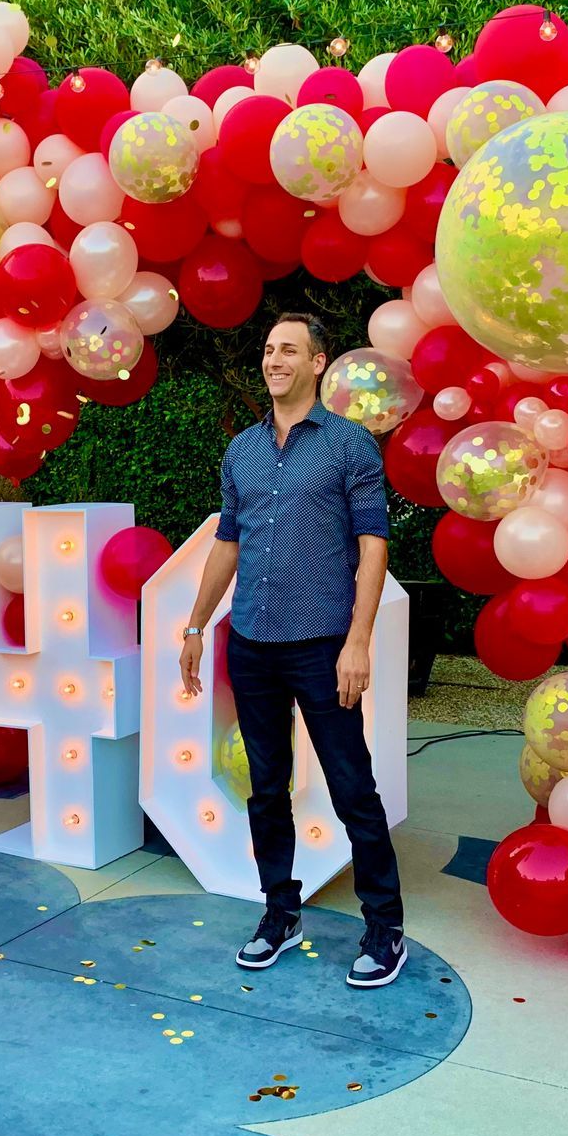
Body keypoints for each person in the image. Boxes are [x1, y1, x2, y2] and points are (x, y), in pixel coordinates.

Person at [179, 312, 407, 989]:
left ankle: (385, 927)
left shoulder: (350, 446)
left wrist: (359, 641)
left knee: (352, 790)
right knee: (265, 789)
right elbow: (228, 542)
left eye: (289, 350)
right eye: (269, 350)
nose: (275, 360)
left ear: (317, 363)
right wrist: (195, 627)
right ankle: (280, 912)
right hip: (251, 641)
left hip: (323, 646)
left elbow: (373, 547)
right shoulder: (241, 451)